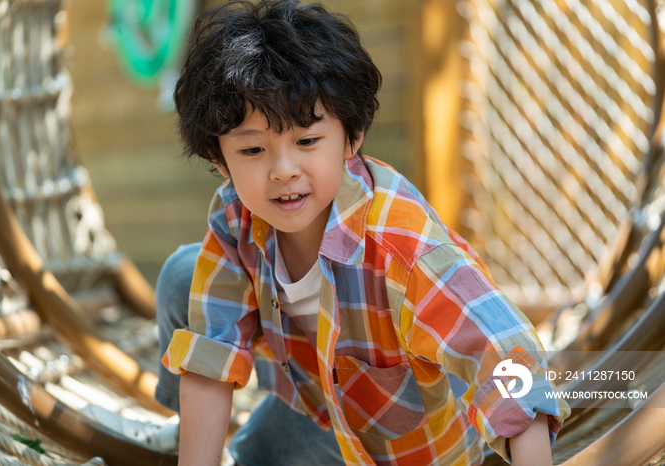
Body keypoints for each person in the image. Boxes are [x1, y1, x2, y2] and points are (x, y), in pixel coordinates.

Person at [157, 1, 571, 465]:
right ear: (219, 160)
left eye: (307, 141)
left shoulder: (402, 244)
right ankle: (179, 438)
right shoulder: (236, 219)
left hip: (417, 447)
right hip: (320, 411)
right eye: (252, 149)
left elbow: (508, 356)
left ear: (352, 138)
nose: (283, 171)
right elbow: (213, 349)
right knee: (183, 275)